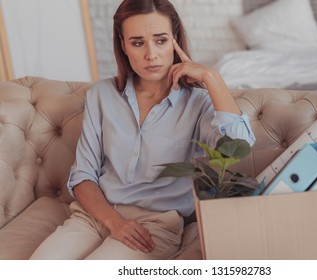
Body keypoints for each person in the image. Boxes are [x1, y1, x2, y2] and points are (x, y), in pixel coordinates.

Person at [30, 0, 255, 260]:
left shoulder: (197, 103)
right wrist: (114, 221)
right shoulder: (102, 94)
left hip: (154, 225)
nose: (151, 54)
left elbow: (239, 150)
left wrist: (211, 78)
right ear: (123, 45)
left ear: (175, 41)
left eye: (161, 40)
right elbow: (83, 175)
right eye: (137, 43)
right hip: (93, 216)